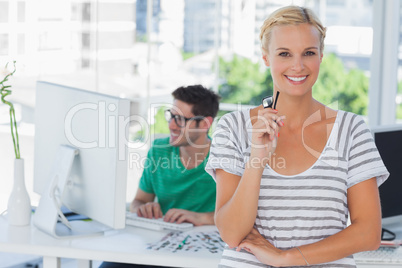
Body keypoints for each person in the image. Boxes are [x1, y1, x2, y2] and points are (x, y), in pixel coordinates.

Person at [206, 5, 389, 268]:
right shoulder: (232, 128)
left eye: (308, 53)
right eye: (284, 53)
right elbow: (231, 233)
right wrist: (257, 158)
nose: (297, 65)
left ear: (321, 56)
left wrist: (286, 258)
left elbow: (369, 234)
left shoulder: (351, 129)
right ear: (266, 57)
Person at [99, 85, 220, 268]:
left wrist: (201, 218)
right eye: (171, 116)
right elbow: (137, 201)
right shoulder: (158, 151)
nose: (171, 125)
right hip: (159, 244)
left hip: (201, 253)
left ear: (204, 124)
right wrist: (144, 207)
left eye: (180, 119)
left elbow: (245, 217)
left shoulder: (224, 158)